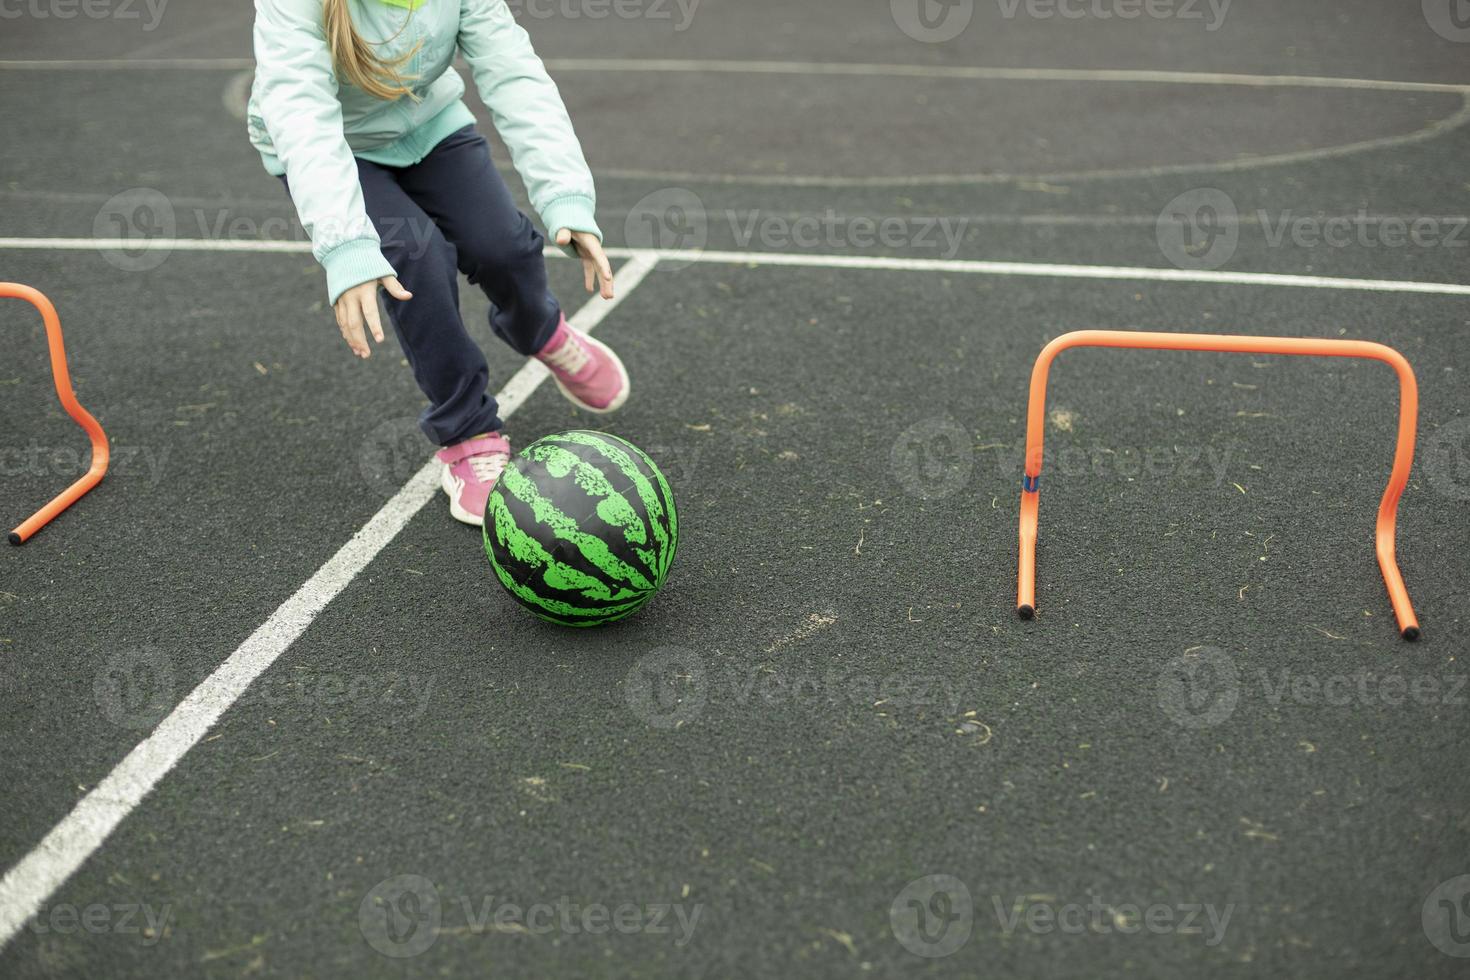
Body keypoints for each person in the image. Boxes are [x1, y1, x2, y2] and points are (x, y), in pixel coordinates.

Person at [248, 0, 627, 525]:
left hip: (430, 125)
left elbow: (515, 76)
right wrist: (347, 246)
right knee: (415, 260)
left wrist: (566, 198)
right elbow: (302, 115)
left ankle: (540, 330)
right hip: (339, 149)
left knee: (503, 246)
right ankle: (467, 431)